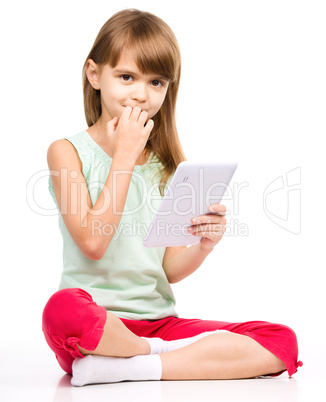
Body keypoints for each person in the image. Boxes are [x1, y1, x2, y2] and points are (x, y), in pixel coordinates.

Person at [42, 8, 302, 386]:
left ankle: (130, 365)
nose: (141, 95)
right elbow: (93, 242)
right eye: (127, 77)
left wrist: (203, 245)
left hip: (159, 324)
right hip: (95, 321)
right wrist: (125, 156)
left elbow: (167, 271)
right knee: (61, 310)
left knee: (281, 341)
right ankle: (155, 355)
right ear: (95, 75)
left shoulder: (169, 165)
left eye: (156, 83)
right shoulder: (65, 152)